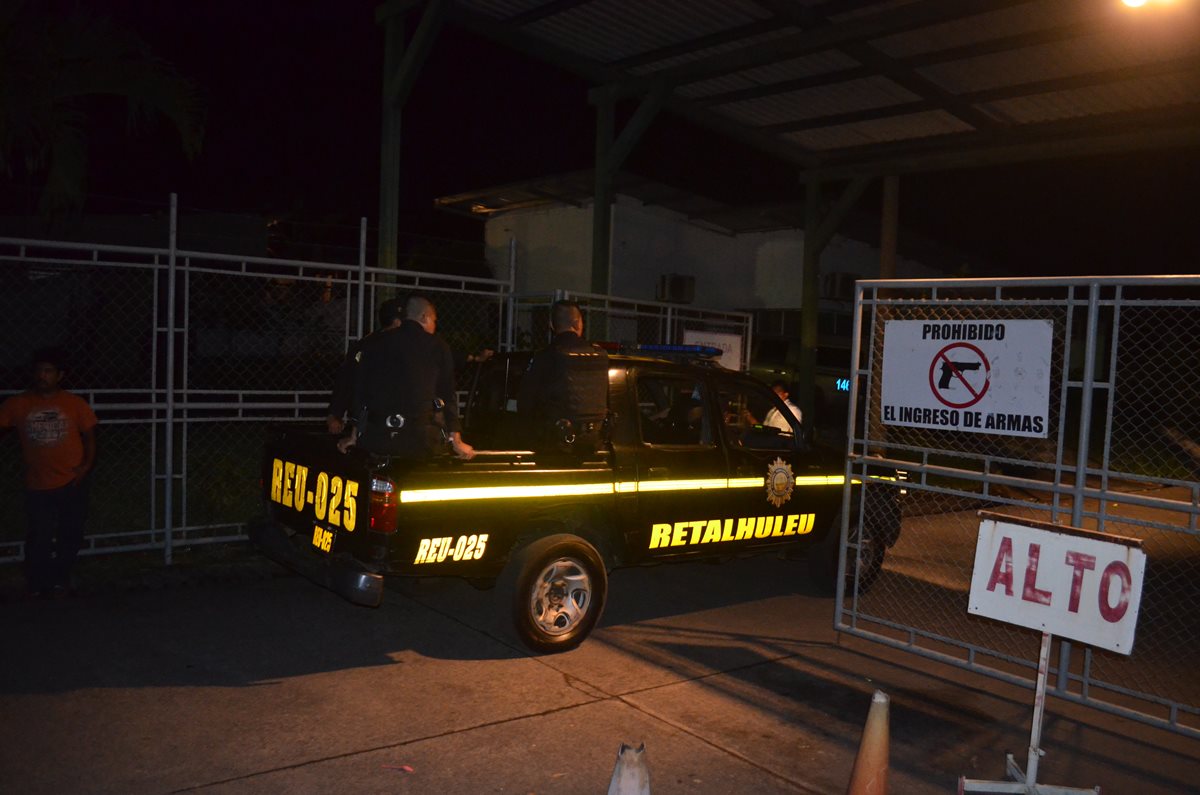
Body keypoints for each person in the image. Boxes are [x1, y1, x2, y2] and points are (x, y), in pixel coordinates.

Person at [0, 347, 98, 598]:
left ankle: (60, 578)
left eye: (48, 371)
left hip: (71, 480)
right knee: (39, 534)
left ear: (60, 375)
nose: (42, 376)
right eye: (39, 371)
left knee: (70, 532)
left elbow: (90, 437)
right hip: (38, 482)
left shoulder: (74, 404)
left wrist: (85, 466)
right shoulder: (18, 404)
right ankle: (37, 581)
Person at [338, 294, 474, 459]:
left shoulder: (374, 343)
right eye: (434, 320)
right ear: (424, 317)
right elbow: (447, 393)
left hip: (377, 435)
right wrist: (456, 439)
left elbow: (361, 391)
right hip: (419, 438)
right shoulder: (437, 346)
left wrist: (354, 434)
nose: (434, 326)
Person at [517, 300, 609, 454]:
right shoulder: (600, 355)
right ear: (578, 323)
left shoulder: (544, 356)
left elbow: (525, 402)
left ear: (552, 326)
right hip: (595, 445)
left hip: (555, 445)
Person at [325, 297, 404, 435]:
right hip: (373, 418)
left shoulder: (367, 344)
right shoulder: (368, 346)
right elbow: (347, 378)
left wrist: (335, 413)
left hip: (380, 417)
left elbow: (346, 379)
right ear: (397, 322)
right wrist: (335, 414)